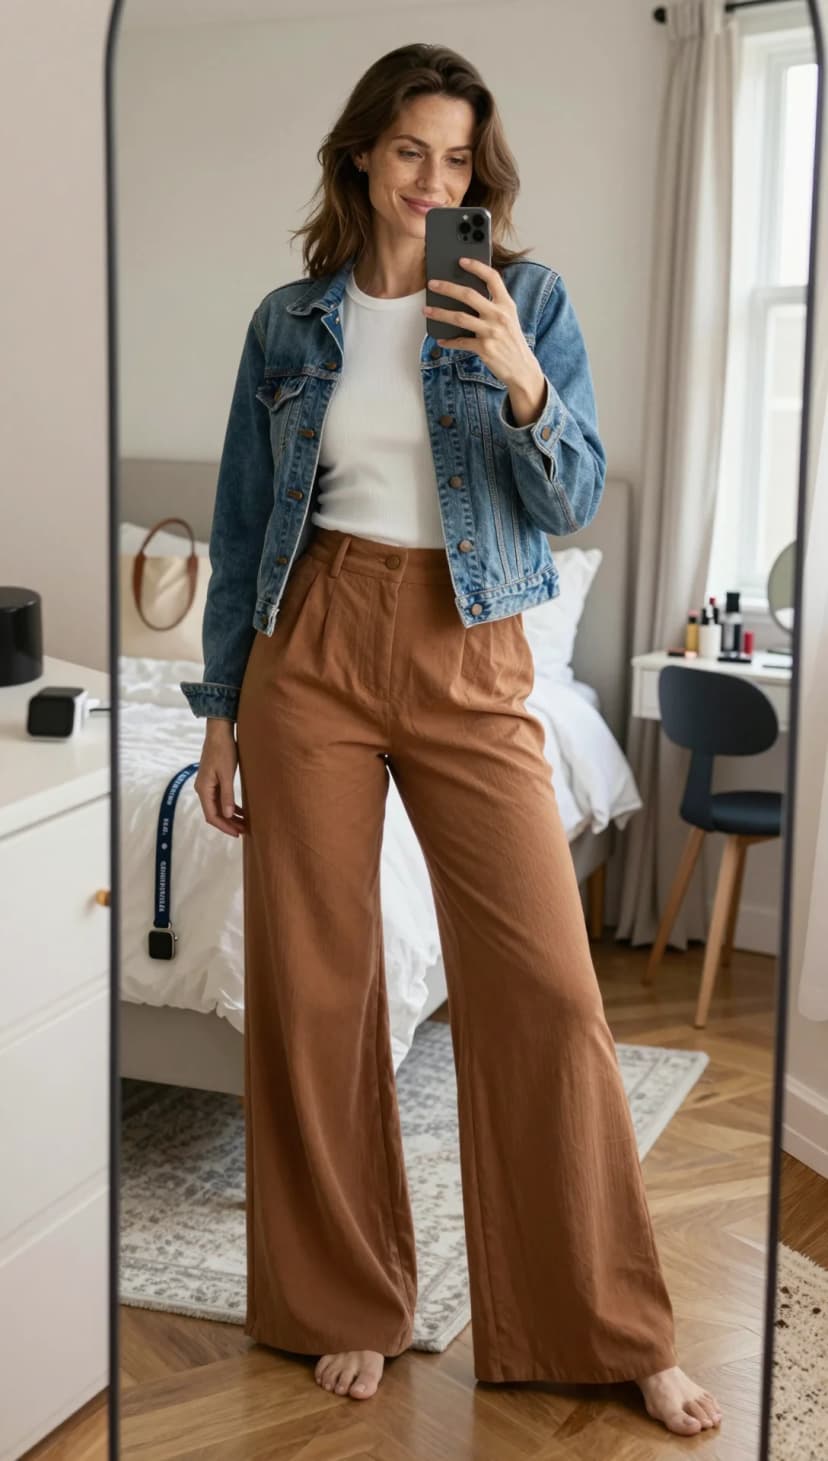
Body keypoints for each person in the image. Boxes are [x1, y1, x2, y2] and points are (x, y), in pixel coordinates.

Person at [180, 42, 722, 1440]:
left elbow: (575, 488)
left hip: (471, 645)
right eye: (411, 151)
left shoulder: (521, 297)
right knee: (316, 985)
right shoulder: (287, 323)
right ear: (363, 154)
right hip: (311, 646)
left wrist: (528, 382)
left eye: (459, 160)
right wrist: (223, 709)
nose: (435, 182)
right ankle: (341, 1297)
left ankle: (608, 1325)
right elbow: (243, 529)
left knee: (548, 988)